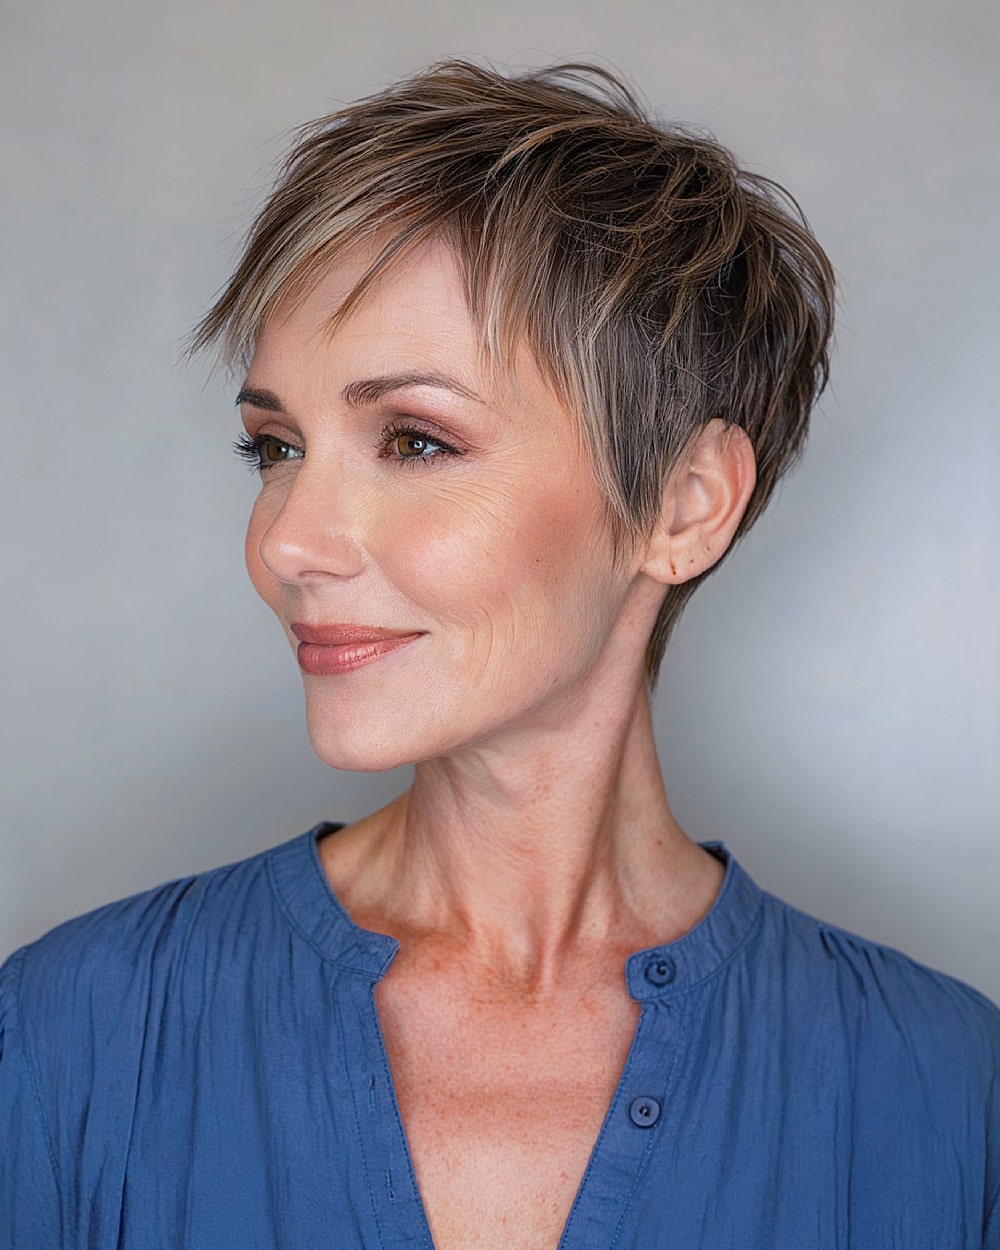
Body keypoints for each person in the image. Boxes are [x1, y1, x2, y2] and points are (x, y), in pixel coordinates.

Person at [1, 59, 997, 1250]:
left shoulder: (949, 1097)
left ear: (683, 503)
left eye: (414, 440)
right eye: (275, 446)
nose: (287, 543)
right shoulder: (67, 1039)